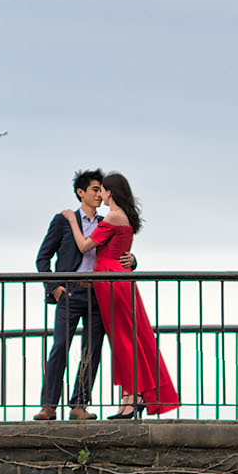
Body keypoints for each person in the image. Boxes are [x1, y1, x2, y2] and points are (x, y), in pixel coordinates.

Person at [59, 171, 179, 418]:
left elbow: (84, 246)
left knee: (123, 339)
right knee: (124, 338)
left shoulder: (113, 215)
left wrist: (72, 219)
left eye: (101, 189)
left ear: (109, 192)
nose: (99, 193)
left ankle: (133, 396)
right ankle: (129, 397)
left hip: (110, 280)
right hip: (116, 278)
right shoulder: (123, 216)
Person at [33, 168, 126, 421]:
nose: (100, 195)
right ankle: (49, 405)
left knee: (92, 350)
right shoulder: (63, 221)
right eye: (95, 190)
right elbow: (43, 257)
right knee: (60, 346)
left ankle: (79, 406)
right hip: (69, 294)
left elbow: (118, 251)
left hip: (98, 294)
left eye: (101, 190)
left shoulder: (107, 222)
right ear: (80, 192)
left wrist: (133, 260)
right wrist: (54, 288)